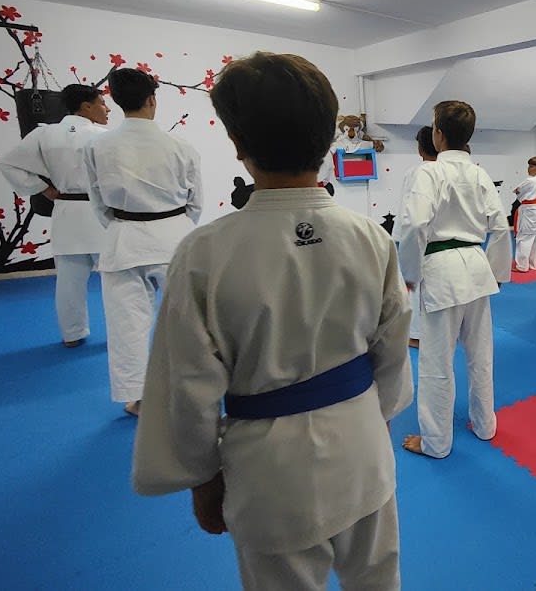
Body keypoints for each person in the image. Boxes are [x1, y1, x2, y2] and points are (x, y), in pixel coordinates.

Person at [132, 52, 412, 591]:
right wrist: (371, 419)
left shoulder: (205, 253)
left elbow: (186, 384)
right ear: (330, 138)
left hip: (269, 466)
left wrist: (200, 475)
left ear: (237, 145)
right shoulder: (370, 237)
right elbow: (393, 347)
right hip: (362, 445)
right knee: (378, 578)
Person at [84, 68, 202, 415]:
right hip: (174, 239)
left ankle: (136, 397)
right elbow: (195, 202)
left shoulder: (97, 146)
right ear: (152, 99)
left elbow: (98, 202)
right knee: (188, 320)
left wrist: (125, 224)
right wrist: (172, 225)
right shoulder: (181, 146)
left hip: (123, 240)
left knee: (127, 325)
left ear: (116, 101)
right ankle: (195, 387)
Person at [398, 100, 512, 459]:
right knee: (481, 355)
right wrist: (497, 273)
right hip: (477, 268)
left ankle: (436, 443)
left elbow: (414, 225)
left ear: (439, 134)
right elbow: (501, 226)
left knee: (436, 363)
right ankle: (485, 424)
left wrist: (410, 274)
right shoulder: (479, 173)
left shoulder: (427, 173)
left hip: (442, 270)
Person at [0, 84, 110, 347]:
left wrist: (42, 189)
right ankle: (120, 333)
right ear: (86, 106)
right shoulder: (103, 136)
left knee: (69, 281)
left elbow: (7, 163)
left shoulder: (45, 134)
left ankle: (72, 335)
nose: (107, 109)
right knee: (115, 281)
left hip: (66, 211)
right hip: (99, 214)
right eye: (102, 103)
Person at [393, 125, 439, 348]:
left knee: (415, 285)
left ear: (420, 149)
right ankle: (434, 331)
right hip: (441, 238)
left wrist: (402, 237)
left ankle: (417, 334)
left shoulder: (415, 172)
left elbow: (409, 211)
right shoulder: (448, 171)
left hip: (417, 234)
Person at [512, 155, 536, 273]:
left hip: (529, 209)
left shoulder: (530, 181)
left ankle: (522, 266)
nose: (528, 168)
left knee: (524, 237)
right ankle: (533, 264)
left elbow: (518, 191)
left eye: (531, 166)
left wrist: (517, 191)